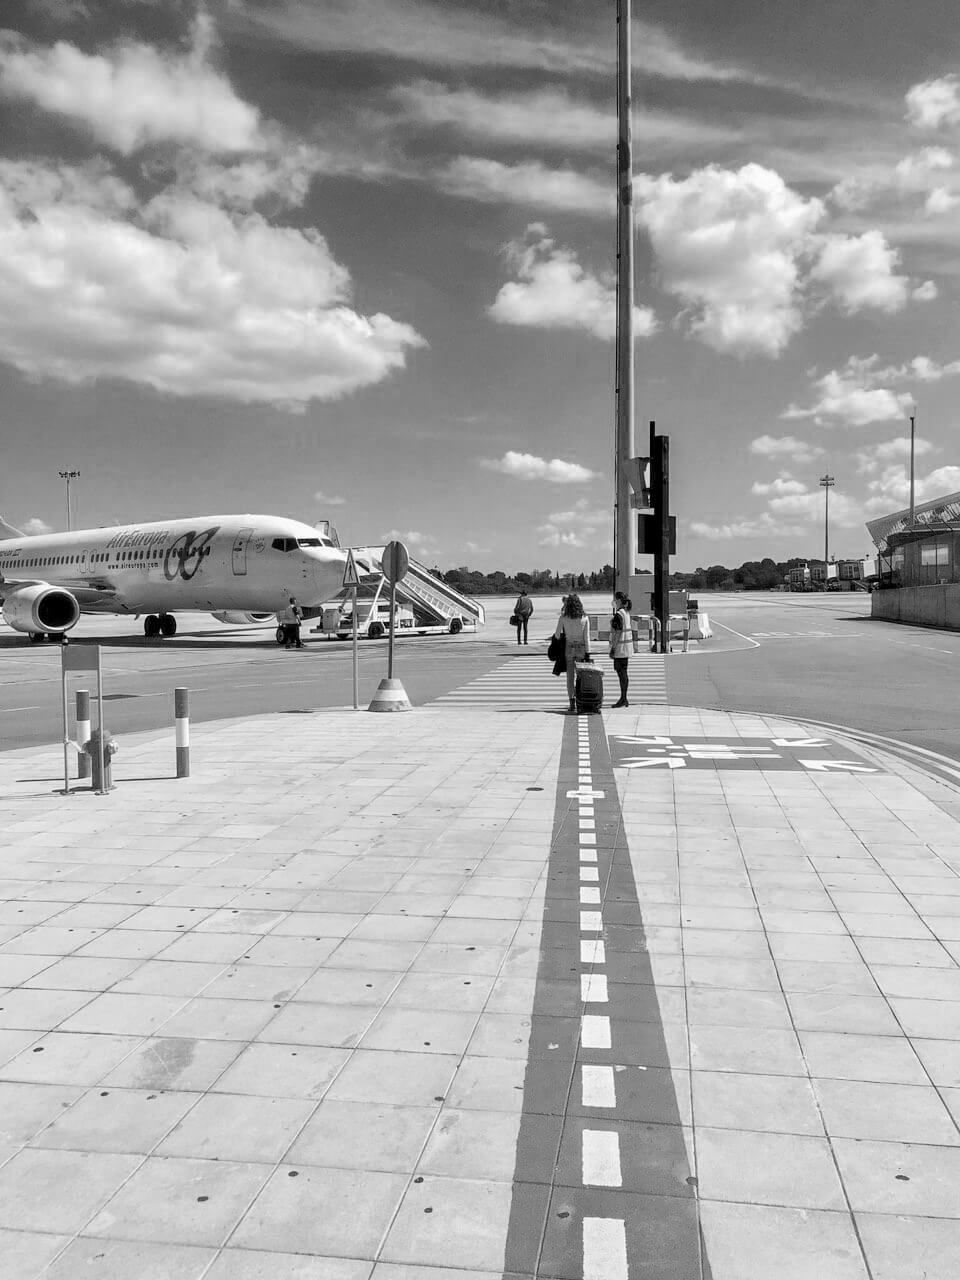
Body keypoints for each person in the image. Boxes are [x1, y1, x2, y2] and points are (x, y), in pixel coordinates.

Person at [554, 592, 592, 713]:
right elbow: (587, 637)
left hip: (569, 647)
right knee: (581, 676)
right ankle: (581, 701)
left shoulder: (563, 617)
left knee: (570, 677)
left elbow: (557, 634)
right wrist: (588, 652)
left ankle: (572, 702)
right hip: (581, 647)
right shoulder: (584, 618)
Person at [610, 590, 633, 708]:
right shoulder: (626, 612)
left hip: (620, 649)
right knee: (624, 673)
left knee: (622, 674)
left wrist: (613, 648)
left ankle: (623, 698)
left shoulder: (619, 614)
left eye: (615, 599)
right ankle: (624, 697)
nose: (613, 602)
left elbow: (618, 633)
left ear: (618, 600)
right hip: (626, 648)